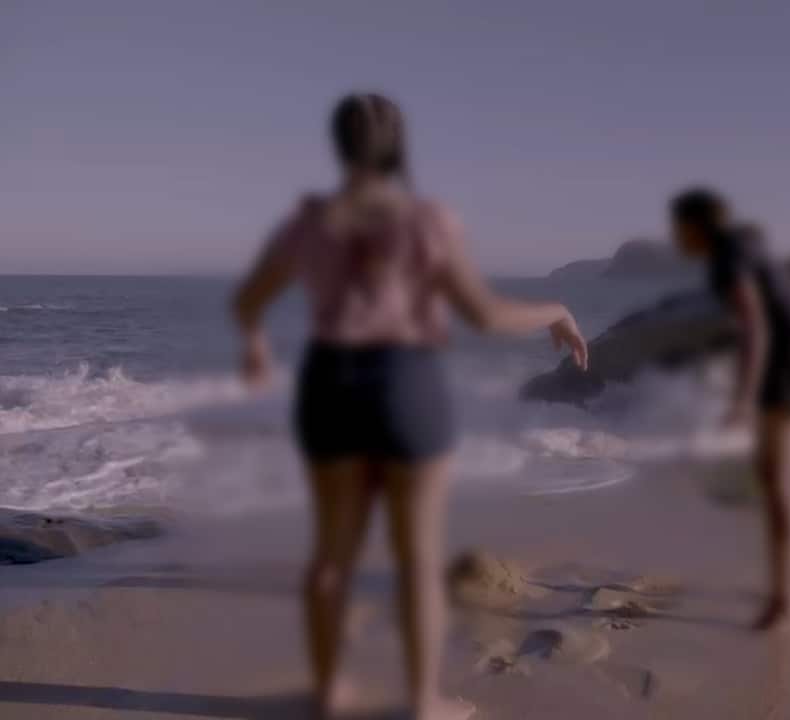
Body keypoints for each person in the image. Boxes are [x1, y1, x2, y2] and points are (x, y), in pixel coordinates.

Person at [231, 92, 588, 720]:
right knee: (418, 557)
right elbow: (485, 315)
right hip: (405, 383)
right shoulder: (425, 220)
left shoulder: (307, 223)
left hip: (330, 385)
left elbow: (248, 302)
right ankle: (422, 703)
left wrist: (257, 348)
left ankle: (329, 693)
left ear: (339, 146)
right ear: (398, 147)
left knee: (332, 555)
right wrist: (557, 311)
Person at [670, 187, 790, 631]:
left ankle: (786, 604)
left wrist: (743, 399)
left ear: (692, 226)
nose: (675, 238)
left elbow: (755, 326)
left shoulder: (729, 256)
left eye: (677, 228)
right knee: (778, 475)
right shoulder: (743, 245)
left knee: (774, 477)